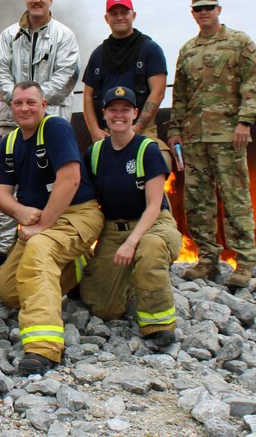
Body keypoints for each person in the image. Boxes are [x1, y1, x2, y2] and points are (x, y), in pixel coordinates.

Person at [0, 82, 103, 375]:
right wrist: (20, 211)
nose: (24, 108)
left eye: (31, 102)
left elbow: (70, 179)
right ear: (10, 108)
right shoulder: (9, 142)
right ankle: (76, 266)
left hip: (77, 214)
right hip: (40, 220)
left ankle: (43, 346)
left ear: (43, 105)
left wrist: (42, 226)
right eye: (18, 103)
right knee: (9, 291)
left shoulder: (55, 129)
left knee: (40, 250)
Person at [167, 0, 256, 288]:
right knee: (197, 200)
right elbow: (180, 95)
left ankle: (245, 260)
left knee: (235, 198)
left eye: (208, 8)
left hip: (229, 136)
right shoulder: (188, 50)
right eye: (198, 9)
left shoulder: (239, 42)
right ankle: (207, 259)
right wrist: (174, 130)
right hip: (195, 139)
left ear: (218, 9)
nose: (204, 13)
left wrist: (245, 121)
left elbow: (254, 81)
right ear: (192, 12)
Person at [79, 87, 181, 348]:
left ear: (135, 113)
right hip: (114, 228)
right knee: (102, 307)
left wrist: (131, 242)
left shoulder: (148, 150)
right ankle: (132, 283)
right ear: (104, 114)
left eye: (125, 109)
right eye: (113, 109)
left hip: (153, 224)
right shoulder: (95, 153)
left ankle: (158, 326)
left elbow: (154, 206)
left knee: (150, 250)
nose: (119, 115)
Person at [0, 0, 80, 259]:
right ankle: (2, 254)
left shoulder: (64, 36)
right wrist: (18, 103)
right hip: (9, 125)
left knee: (52, 187)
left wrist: (34, 105)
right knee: (2, 189)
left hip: (51, 124)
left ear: (51, 0)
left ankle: (50, 247)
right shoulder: (8, 36)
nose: (36, 0)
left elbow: (67, 76)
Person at [82, 0, 171, 167]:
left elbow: (158, 92)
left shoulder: (150, 50)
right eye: (114, 13)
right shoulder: (98, 54)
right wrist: (94, 131)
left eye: (124, 12)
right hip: (106, 133)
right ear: (106, 18)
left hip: (143, 132)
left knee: (161, 162)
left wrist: (134, 131)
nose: (119, 17)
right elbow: (87, 96)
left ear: (133, 15)